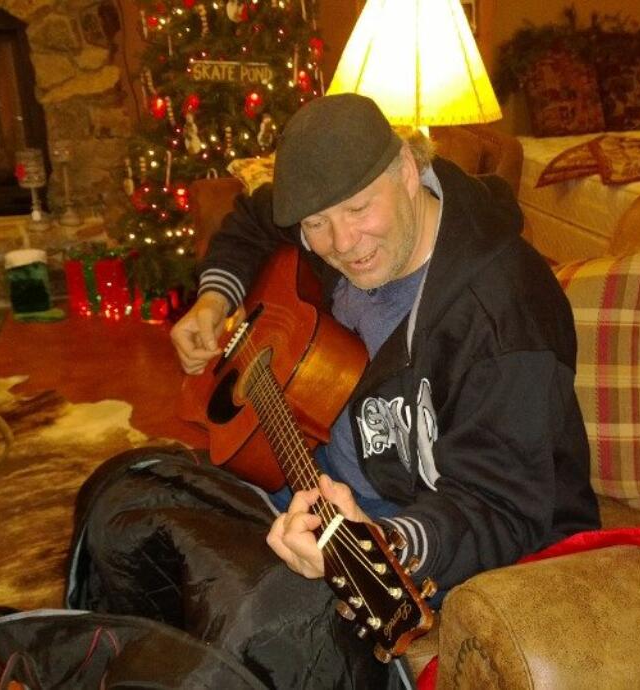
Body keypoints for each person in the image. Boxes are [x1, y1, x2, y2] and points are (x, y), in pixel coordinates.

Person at [57, 93, 599, 689]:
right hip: (298, 479)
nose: (341, 243)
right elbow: (252, 219)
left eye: (359, 210)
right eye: (316, 224)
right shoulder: (327, 215)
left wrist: (382, 542)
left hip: (435, 536)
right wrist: (216, 298)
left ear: (408, 169)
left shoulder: (504, 313)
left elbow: (502, 508)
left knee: (264, 630)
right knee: (120, 499)